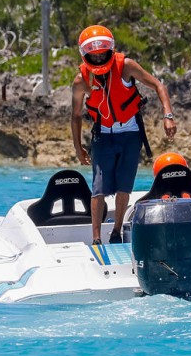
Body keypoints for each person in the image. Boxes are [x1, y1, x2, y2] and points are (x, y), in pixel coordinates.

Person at [71, 24, 177, 245]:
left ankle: (116, 232)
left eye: (102, 53)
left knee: (124, 186)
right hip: (102, 134)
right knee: (98, 188)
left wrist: (167, 115)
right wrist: (78, 147)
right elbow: (76, 116)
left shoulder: (125, 66)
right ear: (85, 55)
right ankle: (96, 238)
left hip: (130, 134)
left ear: (110, 50)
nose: (99, 58)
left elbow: (158, 86)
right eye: (94, 55)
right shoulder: (82, 80)